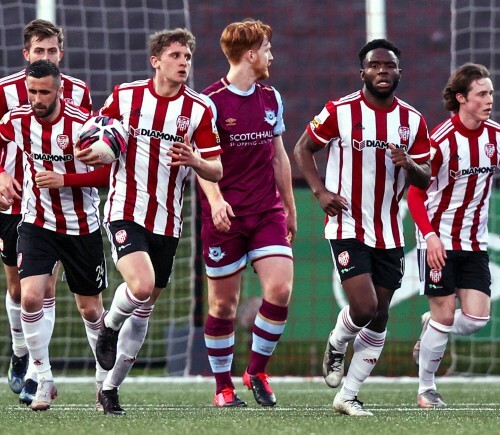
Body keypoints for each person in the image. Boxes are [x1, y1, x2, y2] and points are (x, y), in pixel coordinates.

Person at [294, 39, 431, 416]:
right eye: (375, 66)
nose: (383, 71)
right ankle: (338, 342)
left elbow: (426, 178)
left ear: (399, 72)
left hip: (388, 230)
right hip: (346, 224)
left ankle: (348, 396)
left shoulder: (413, 121)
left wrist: (410, 165)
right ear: (363, 72)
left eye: (389, 66)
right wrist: (319, 191)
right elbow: (302, 148)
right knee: (365, 306)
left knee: (382, 314)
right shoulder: (339, 111)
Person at [90, 28, 223, 415]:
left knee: (146, 307)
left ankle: (110, 389)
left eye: (188, 57)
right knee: (142, 285)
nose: (184, 63)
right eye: (177, 55)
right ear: (156, 61)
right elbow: (94, 139)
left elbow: (216, 169)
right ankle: (110, 326)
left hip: (168, 221)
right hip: (124, 209)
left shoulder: (199, 110)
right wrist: (94, 150)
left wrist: (196, 161)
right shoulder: (125, 96)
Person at [0, 18, 95, 406]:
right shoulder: (4, 90)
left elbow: (85, 145)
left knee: (43, 289)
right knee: (17, 287)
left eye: (51, 50)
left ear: (61, 53)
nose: (45, 56)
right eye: (38, 51)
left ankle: (41, 375)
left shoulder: (78, 91)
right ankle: (20, 353)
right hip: (14, 196)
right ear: (26, 55)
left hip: (55, 204)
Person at [407, 63, 500, 408]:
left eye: (491, 93)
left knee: (476, 320)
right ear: (461, 98)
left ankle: (431, 327)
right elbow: (415, 193)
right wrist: (429, 236)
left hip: (474, 241)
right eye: (482, 94)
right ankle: (426, 388)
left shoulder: (498, 137)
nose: (489, 100)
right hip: (437, 239)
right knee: (444, 314)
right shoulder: (440, 141)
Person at [198, 19, 296, 408]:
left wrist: (289, 206)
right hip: (223, 217)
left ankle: (256, 370)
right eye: (267, 48)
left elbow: (279, 157)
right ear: (251, 54)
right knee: (223, 305)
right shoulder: (209, 102)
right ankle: (223, 387)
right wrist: (217, 200)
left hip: (265, 211)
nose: (271, 54)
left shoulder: (271, 98)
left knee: (281, 289)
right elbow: (200, 164)